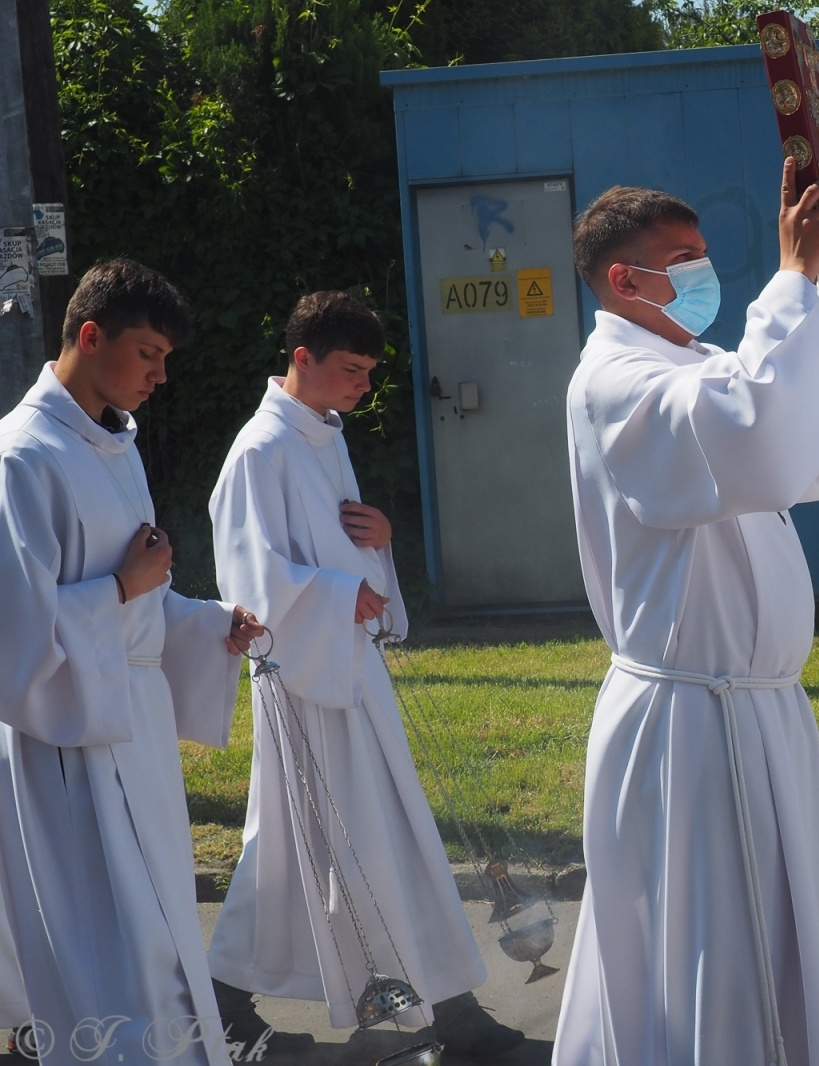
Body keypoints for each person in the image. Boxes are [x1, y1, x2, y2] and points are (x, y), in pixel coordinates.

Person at [552, 160, 819, 1066]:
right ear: (624, 279)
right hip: (688, 723)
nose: (705, 274)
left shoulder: (691, 362)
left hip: (756, 710)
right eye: (685, 259)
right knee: (704, 957)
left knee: (765, 950)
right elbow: (752, 428)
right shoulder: (613, 381)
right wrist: (790, 281)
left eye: (704, 257)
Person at [205, 291, 522, 1056]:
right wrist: (348, 593)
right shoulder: (260, 449)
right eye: (351, 370)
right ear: (301, 358)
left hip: (348, 674)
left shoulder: (322, 435)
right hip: (308, 687)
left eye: (371, 373)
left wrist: (377, 541)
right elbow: (250, 577)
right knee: (361, 847)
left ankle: (221, 1002)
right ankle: (444, 1014)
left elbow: (339, 549)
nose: (362, 387)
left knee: (312, 854)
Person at [0, 258, 264, 1066]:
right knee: (113, 950)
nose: (159, 374)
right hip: (69, 736)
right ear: (89, 335)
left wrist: (203, 624)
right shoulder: (21, 456)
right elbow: (15, 633)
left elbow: (140, 603)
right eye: (147, 353)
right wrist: (121, 585)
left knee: (163, 935)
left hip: (131, 731)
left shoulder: (114, 445)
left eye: (165, 359)